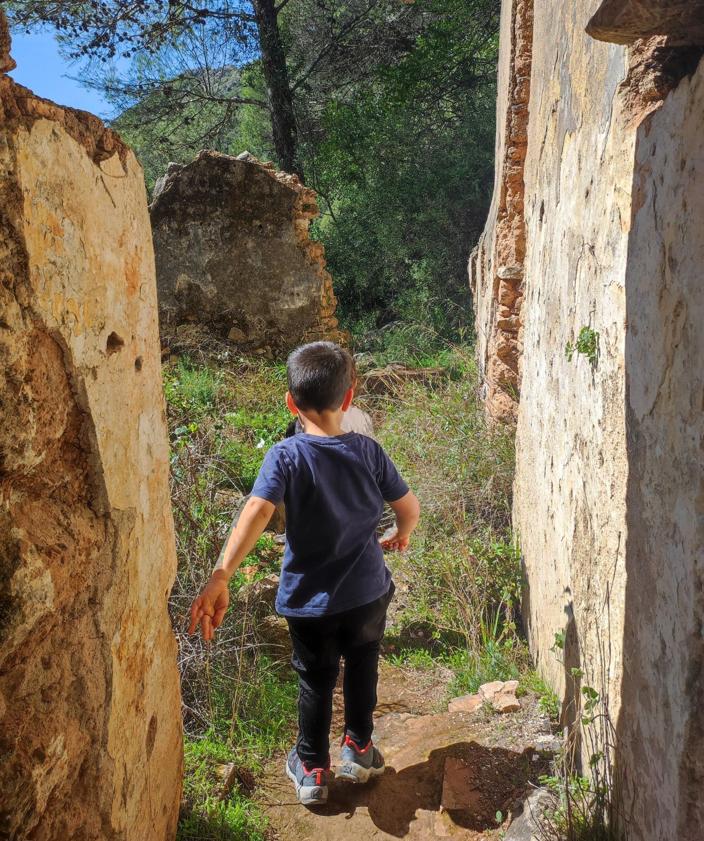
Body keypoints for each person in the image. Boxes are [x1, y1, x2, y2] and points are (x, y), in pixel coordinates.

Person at [188, 341, 420, 806]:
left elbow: (257, 509)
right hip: (368, 593)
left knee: (315, 678)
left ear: (291, 402)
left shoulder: (286, 455)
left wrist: (221, 574)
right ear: (349, 398)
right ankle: (359, 745)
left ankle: (312, 767)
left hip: (310, 603)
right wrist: (400, 532)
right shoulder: (369, 452)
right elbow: (408, 507)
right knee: (363, 662)